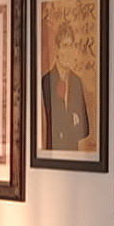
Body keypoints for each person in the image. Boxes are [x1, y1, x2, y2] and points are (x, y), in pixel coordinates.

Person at [41, 22, 89, 150]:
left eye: (71, 46)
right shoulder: (46, 81)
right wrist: (71, 120)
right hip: (52, 153)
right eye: (64, 46)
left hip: (72, 154)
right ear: (57, 49)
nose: (68, 51)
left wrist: (67, 124)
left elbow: (85, 129)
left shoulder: (77, 82)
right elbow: (52, 125)